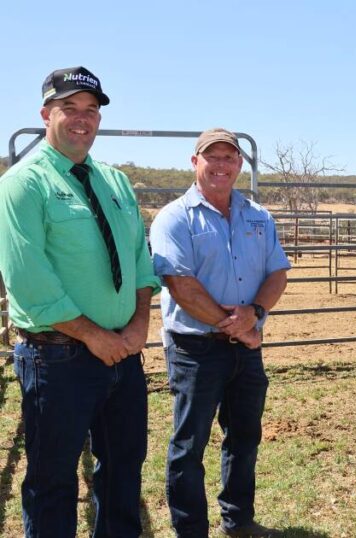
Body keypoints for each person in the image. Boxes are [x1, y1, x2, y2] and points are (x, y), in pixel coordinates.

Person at [0, 66, 160, 537]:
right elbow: (29, 280)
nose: (82, 119)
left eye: (91, 110)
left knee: (123, 472)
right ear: (46, 113)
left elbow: (137, 259)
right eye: (69, 108)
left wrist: (137, 326)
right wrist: (94, 335)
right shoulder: (23, 184)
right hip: (58, 356)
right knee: (52, 480)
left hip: (123, 355)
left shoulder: (115, 181)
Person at [149, 128, 290, 537]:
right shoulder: (175, 217)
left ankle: (238, 519)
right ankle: (191, 530)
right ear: (195, 163)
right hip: (196, 348)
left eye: (230, 158)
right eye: (213, 157)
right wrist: (237, 327)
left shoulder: (258, 216)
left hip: (246, 348)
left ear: (240, 165)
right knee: (189, 445)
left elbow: (277, 271)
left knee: (245, 436)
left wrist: (256, 313)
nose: (222, 165)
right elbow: (181, 284)